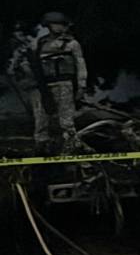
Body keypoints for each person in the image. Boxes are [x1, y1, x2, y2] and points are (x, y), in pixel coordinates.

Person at [7, 12, 89, 154]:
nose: (62, 28)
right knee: (41, 120)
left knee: (67, 121)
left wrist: (82, 85)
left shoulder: (72, 43)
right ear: (50, 25)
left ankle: (72, 149)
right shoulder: (39, 43)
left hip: (64, 84)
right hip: (42, 87)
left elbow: (80, 64)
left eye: (63, 25)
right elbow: (23, 60)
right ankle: (41, 148)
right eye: (58, 24)